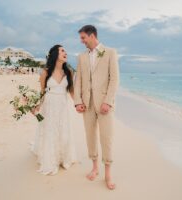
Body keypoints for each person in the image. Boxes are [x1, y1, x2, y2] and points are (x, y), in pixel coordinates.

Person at [74, 25, 120, 190]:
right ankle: (95, 167)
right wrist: (78, 101)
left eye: (83, 38)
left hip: (104, 104)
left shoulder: (110, 52)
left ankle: (108, 173)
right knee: (90, 137)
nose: (82, 41)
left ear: (92, 36)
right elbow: (78, 80)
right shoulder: (81, 57)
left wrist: (108, 101)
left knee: (106, 138)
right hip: (87, 104)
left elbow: (114, 79)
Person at [30, 44, 77, 175]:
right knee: (50, 131)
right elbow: (42, 92)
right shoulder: (46, 72)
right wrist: (36, 106)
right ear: (55, 54)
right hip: (49, 106)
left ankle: (63, 158)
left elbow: (71, 91)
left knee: (63, 130)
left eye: (65, 51)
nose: (65, 53)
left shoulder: (69, 72)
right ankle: (51, 159)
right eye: (62, 51)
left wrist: (78, 104)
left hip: (63, 105)